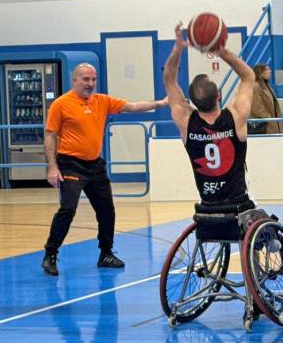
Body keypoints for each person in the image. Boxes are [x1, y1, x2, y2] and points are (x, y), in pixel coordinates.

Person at [41, 63, 168, 276]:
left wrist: (161, 103)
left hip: (95, 165)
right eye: (85, 79)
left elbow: (133, 106)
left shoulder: (102, 101)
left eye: (93, 79)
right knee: (68, 209)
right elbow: (50, 135)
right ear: (75, 81)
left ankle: (106, 253)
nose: (90, 83)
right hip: (70, 164)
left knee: (107, 210)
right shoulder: (61, 104)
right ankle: (50, 254)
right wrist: (52, 167)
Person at [163, 22, 255, 207]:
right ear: (219, 95)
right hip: (238, 203)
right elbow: (248, 76)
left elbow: (169, 79)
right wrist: (221, 51)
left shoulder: (186, 121)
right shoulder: (235, 116)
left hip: (208, 204)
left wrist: (178, 49)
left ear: (192, 102)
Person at [249, 63, 283, 134]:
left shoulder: (267, 85)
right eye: (267, 69)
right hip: (265, 126)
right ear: (260, 72)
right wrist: (268, 118)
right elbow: (256, 108)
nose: (270, 71)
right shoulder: (255, 86)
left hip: (273, 123)